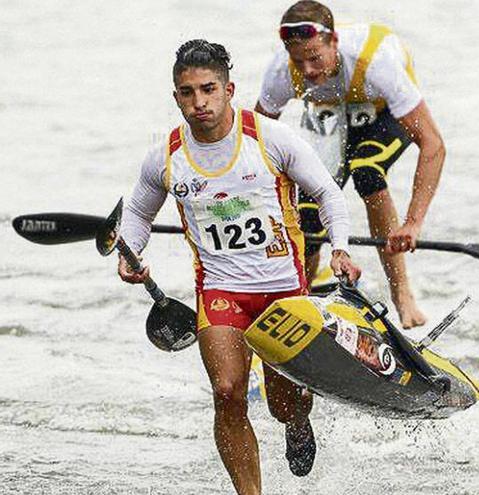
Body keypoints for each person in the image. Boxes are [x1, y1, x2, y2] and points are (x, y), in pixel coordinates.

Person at [118, 40, 361, 493]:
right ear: (176, 97)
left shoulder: (270, 138)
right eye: (187, 93)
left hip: (285, 293)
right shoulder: (165, 156)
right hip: (220, 293)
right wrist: (129, 252)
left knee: (283, 405)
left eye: (208, 89)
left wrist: (340, 249)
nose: (199, 103)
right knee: (228, 394)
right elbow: (137, 213)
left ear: (229, 89)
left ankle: (296, 422)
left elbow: (328, 194)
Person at [255, 0, 447, 329]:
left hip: (382, 111)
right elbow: (256, 142)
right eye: (299, 61)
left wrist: (413, 222)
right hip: (329, 115)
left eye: (315, 58)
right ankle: (297, 304)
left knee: (367, 172)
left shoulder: (376, 62)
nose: (308, 71)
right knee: (308, 213)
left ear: (335, 43)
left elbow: (433, 145)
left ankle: (402, 295)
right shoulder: (281, 71)